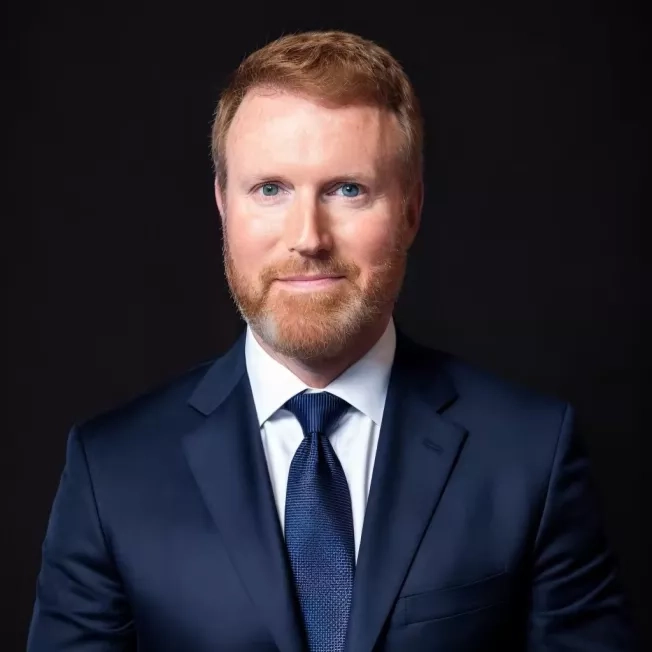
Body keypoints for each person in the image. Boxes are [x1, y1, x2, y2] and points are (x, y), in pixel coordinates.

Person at [28, 30, 635, 651]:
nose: (308, 237)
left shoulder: (530, 454)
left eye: (348, 189)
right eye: (270, 189)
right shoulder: (110, 471)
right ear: (222, 205)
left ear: (410, 210)